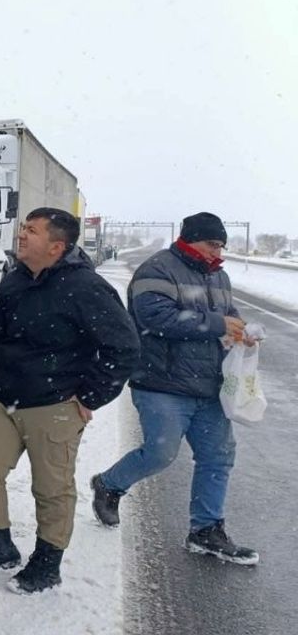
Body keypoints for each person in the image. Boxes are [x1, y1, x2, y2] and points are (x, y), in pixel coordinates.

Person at [0, 208, 140, 593]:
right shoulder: (13, 283)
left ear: (57, 246)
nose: (21, 235)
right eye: (23, 227)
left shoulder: (85, 288)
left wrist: (90, 395)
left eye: (31, 230)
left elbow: (124, 346)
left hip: (55, 404)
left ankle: (47, 562)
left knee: (51, 489)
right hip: (3, 401)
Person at [90, 212, 259, 565]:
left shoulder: (219, 275)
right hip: (161, 382)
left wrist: (241, 330)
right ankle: (109, 483)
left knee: (218, 456)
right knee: (160, 453)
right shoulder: (157, 270)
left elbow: (228, 313)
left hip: (209, 384)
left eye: (222, 245)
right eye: (213, 244)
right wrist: (217, 324)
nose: (218, 252)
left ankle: (206, 531)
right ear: (191, 239)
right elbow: (156, 318)